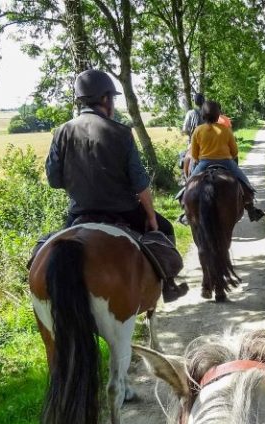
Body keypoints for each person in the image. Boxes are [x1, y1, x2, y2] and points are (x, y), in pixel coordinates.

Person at [44, 69, 187, 302]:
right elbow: (140, 183)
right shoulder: (121, 133)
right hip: (124, 212)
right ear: (104, 99)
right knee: (166, 229)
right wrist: (151, 216)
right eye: (112, 98)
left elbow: (53, 179)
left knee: (50, 249)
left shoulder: (61, 132)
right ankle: (169, 286)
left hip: (79, 212)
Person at [186, 100, 265, 222]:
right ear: (218, 115)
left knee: (189, 185)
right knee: (245, 182)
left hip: (204, 163)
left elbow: (194, 155)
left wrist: (201, 158)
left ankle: (186, 212)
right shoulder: (226, 129)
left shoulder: (197, 130)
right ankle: (251, 208)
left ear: (202, 115)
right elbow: (234, 152)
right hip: (226, 162)